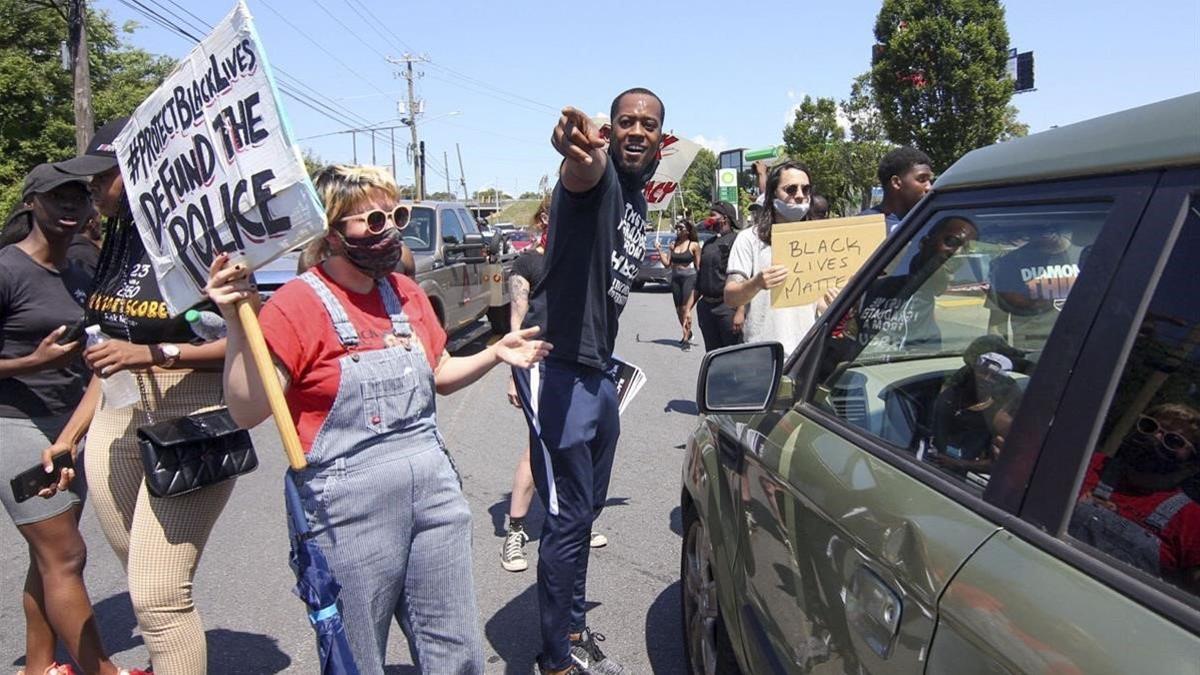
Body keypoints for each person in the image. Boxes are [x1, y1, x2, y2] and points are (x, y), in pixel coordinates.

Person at [209, 164, 551, 673]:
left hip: (434, 493)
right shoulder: (296, 305)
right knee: (357, 654)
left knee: (455, 651)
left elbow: (439, 371)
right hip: (345, 511)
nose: (389, 230)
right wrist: (239, 324)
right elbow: (248, 408)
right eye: (372, 221)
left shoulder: (406, 293)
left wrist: (496, 352)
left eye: (397, 215)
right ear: (331, 233)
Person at [43, 117, 232, 675]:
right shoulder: (117, 238)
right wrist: (68, 438)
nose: (90, 192)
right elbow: (110, 349)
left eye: (101, 176)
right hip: (114, 416)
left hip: (190, 415)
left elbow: (254, 345)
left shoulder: (204, 238)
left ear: (141, 174)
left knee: (156, 595)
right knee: (144, 578)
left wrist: (155, 355)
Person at [512, 88, 664, 675]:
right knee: (568, 519)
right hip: (558, 370)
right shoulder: (596, 181)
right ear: (610, 129)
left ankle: (572, 625)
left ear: (659, 138)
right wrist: (577, 151)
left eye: (647, 125)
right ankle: (555, 661)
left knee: (586, 511)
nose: (635, 131)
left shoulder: (637, 200)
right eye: (624, 121)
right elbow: (582, 167)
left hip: (599, 371)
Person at [1, 164, 142, 675]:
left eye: (79, 198)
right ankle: (102, 671)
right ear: (30, 204)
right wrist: (31, 363)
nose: (70, 206)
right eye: (56, 197)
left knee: (50, 558)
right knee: (66, 555)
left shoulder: (83, 273)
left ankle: (39, 667)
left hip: (68, 428)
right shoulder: (7, 270)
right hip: (14, 421)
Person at [501, 199, 610, 573]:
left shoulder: (580, 254)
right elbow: (516, 321)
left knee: (579, 443)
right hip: (539, 366)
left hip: (580, 364)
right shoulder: (528, 262)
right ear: (545, 216)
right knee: (540, 443)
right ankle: (515, 530)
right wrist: (511, 372)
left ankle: (577, 521)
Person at [1070, 403, 1200, 594]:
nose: (1156, 437)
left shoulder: (1193, 521)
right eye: (1150, 427)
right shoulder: (1085, 464)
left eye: (1173, 440)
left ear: (1192, 465)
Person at [723, 160, 821, 354]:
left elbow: (821, 303)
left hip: (809, 355)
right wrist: (756, 283)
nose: (800, 196)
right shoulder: (749, 239)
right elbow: (730, 297)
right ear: (773, 193)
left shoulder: (819, 241)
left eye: (806, 189)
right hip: (764, 356)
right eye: (791, 189)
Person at [987, 227, 1080, 349]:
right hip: (1032, 348)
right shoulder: (1010, 263)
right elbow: (997, 322)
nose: (1048, 230)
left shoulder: (1090, 257)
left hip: (1083, 346)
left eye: (1055, 225)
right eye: (1042, 228)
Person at [694, 201, 744, 352]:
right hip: (706, 309)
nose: (709, 219)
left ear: (725, 218)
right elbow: (700, 278)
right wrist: (687, 310)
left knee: (731, 355)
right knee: (713, 355)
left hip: (727, 308)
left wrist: (740, 311)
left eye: (712, 215)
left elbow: (743, 278)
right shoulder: (709, 243)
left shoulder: (737, 241)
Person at [859, 146, 934, 235]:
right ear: (896, 183)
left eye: (930, 180)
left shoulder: (930, 222)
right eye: (922, 179)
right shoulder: (863, 226)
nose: (929, 187)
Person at [656, 218, 700, 349]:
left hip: (689, 278)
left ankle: (685, 339)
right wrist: (659, 251)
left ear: (687, 231)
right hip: (675, 278)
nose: (678, 230)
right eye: (677, 228)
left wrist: (701, 283)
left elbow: (699, 266)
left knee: (686, 309)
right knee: (678, 311)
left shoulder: (693, 245)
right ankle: (688, 331)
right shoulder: (674, 245)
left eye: (681, 228)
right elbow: (667, 264)